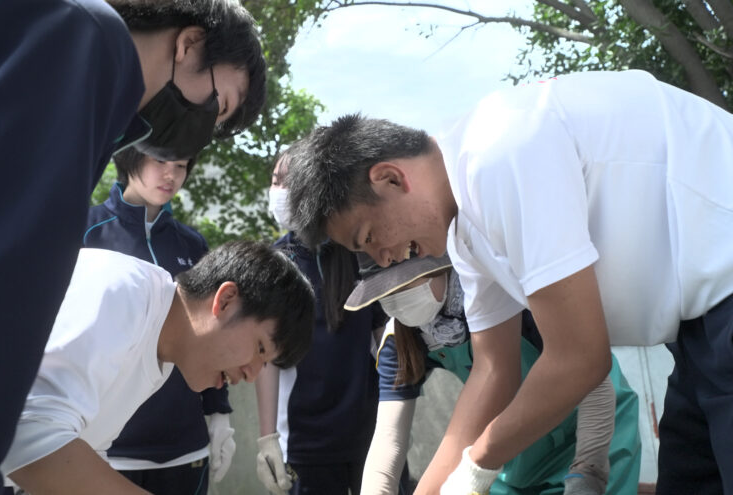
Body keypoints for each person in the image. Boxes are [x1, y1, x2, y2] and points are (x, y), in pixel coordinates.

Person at [0, 0, 266, 493]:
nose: (204, 133)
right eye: (218, 106)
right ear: (190, 43)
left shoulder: (68, 44)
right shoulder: (86, 38)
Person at [282, 70, 733, 494]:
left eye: (369, 238)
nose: (382, 258)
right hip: (699, 332)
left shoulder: (497, 152)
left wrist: (477, 467)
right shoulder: (466, 232)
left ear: (390, 178)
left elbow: (581, 359)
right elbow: (494, 371)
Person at [0, 241, 314, 495]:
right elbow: (26, 434)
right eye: (260, 348)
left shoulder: (159, 352)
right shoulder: (122, 290)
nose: (251, 374)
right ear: (227, 299)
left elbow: (79, 453)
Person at [347, 253, 640, 495]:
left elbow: (590, 376)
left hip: (591, 433)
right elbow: (389, 440)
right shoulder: (400, 339)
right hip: (511, 456)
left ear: (439, 262)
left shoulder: (502, 295)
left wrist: (588, 472)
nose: (398, 300)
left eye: (405, 286)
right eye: (387, 295)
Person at [82, 149, 233, 493]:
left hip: (185, 447)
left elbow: (212, 333)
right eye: (160, 162)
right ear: (130, 158)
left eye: (180, 165)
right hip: (106, 447)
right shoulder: (86, 231)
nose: (171, 175)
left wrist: (219, 412)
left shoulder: (192, 244)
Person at [254, 152, 405, 495]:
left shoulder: (357, 252)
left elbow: (384, 336)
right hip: (306, 443)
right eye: (274, 181)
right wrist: (267, 439)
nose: (276, 190)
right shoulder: (273, 264)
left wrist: (397, 412)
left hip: (370, 433)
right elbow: (266, 359)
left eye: (285, 182)